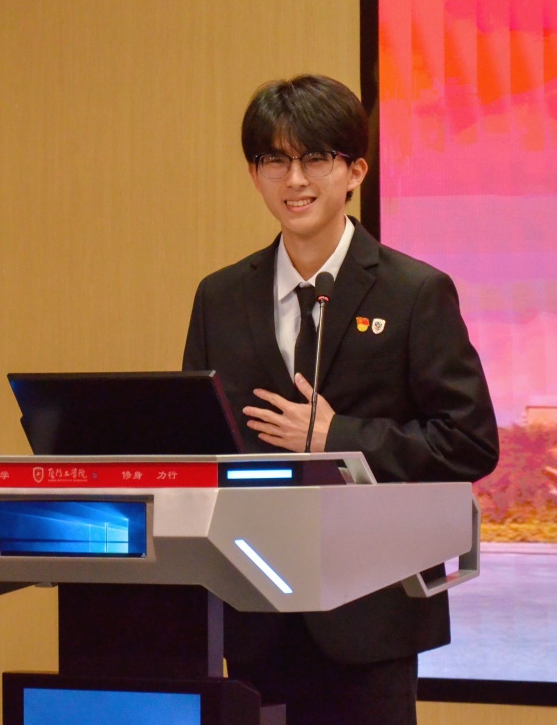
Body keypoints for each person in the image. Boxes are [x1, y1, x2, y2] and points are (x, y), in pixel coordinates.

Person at [181, 74, 498, 725]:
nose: (294, 180)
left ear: (355, 170)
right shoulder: (220, 297)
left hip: (372, 619)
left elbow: (470, 441)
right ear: (254, 173)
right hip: (254, 612)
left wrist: (339, 437)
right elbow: (196, 443)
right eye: (274, 160)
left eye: (316, 158)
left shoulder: (414, 292)